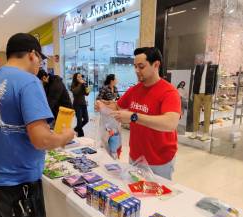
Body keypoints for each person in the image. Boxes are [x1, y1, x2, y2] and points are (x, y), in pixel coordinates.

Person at [0, 33, 74, 217]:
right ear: (32, 54)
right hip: (20, 186)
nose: (40, 65)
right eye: (40, 59)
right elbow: (41, 139)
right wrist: (65, 137)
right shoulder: (29, 82)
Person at [96, 47, 181, 180]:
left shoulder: (169, 92)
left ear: (156, 65)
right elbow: (117, 106)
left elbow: (170, 123)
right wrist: (103, 105)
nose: (136, 71)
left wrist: (133, 116)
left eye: (141, 66)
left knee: (157, 198)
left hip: (159, 160)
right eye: (135, 66)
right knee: (136, 194)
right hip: (135, 156)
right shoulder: (134, 90)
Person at [71, 72, 89, 137]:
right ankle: (81, 136)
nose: (80, 78)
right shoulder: (73, 84)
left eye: (81, 76)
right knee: (79, 121)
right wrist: (80, 84)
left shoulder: (83, 84)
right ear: (75, 78)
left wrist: (86, 86)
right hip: (77, 105)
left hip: (83, 104)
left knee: (86, 120)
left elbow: (87, 93)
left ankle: (75, 129)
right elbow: (75, 92)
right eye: (78, 77)